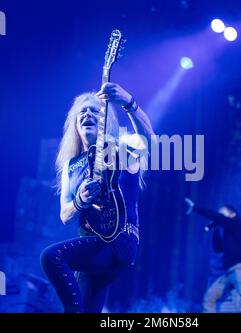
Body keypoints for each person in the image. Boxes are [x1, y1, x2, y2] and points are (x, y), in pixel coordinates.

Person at [40, 82, 155, 313]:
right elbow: (65, 214)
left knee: (51, 257)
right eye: (82, 112)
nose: (87, 114)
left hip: (119, 241)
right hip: (93, 246)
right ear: (75, 125)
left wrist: (128, 102)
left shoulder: (121, 149)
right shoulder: (71, 167)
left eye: (94, 110)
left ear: (105, 122)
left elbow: (150, 143)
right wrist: (80, 201)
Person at [185, 199, 241, 313]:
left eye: (222, 214)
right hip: (229, 272)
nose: (219, 217)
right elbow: (218, 248)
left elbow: (215, 216)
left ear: (233, 214)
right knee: (210, 297)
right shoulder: (229, 233)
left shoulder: (236, 224)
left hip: (240, 269)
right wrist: (215, 230)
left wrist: (195, 208)